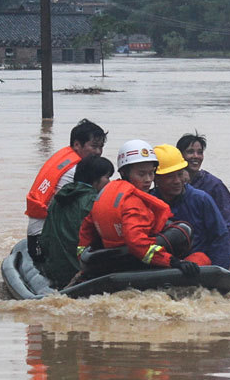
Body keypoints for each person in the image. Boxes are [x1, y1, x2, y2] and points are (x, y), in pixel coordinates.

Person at [77, 140, 201, 278]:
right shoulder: (133, 203)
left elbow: (86, 228)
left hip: (108, 257)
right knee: (192, 245)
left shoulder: (106, 192)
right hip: (132, 260)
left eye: (151, 173)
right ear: (125, 173)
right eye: (141, 174)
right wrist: (173, 262)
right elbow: (137, 243)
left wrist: (82, 257)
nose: (148, 180)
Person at [25, 119, 107, 260]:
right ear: (77, 144)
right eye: (94, 147)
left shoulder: (64, 158)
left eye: (101, 147)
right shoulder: (76, 171)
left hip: (37, 235)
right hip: (44, 240)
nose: (98, 152)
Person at [150, 144, 230, 270]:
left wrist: (220, 274)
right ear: (156, 178)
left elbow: (220, 238)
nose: (177, 181)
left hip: (197, 265)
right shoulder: (148, 202)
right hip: (165, 263)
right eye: (170, 176)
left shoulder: (201, 199)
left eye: (180, 174)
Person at [39, 155, 114, 289]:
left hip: (54, 270)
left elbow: (45, 238)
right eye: (107, 177)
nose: (109, 182)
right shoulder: (95, 203)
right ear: (95, 179)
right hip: (79, 273)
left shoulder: (58, 198)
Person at [176, 132, 230, 266]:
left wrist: (229, 262)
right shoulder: (169, 184)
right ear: (179, 156)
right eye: (190, 152)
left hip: (205, 253)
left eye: (199, 152)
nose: (196, 156)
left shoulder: (213, 185)